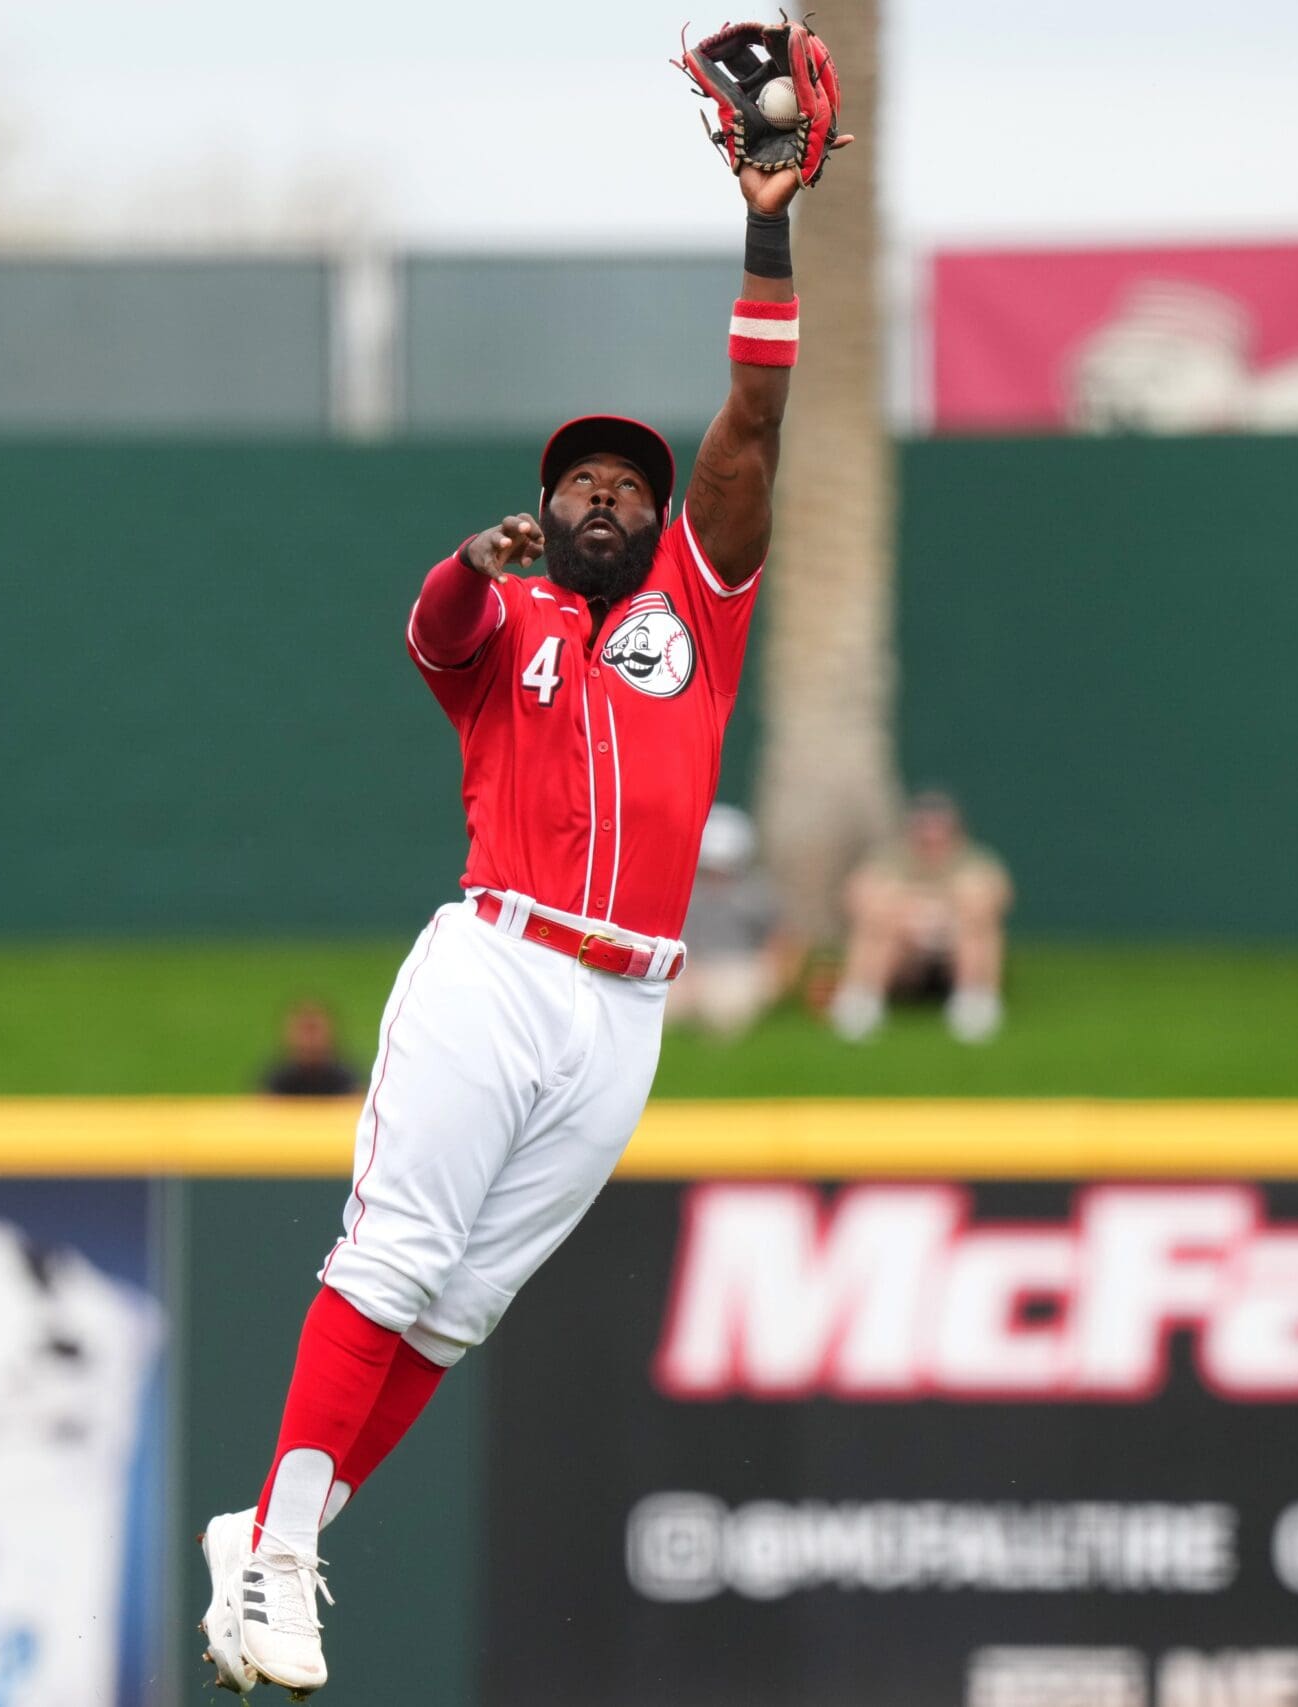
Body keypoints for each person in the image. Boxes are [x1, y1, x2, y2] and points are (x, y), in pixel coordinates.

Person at [195, 28, 853, 1697]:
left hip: (626, 1010)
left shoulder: (695, 616)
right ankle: (275, 1549)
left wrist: (768, 223)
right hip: (499, 958)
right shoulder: (507, 623)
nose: (616, 495)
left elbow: (755, 430)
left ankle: (279, 1536)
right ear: (546, 514)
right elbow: (427, 628)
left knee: (454, 1314)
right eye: (586, 483)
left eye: (632, 481)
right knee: (394, 1259)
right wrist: (473, 564)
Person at [828, 791, 1015, 1045]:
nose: (932, 836)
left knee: (976, 924)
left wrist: (940, 918)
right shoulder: (889, 859)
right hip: (903, 957)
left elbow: (994, 898)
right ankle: (861, 1003)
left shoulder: (974, 860)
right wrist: (910, 916)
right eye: (925, 829)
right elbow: (858, 896)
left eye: (940, 828)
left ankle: (976, 1002)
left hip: (952, 953)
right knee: (879, 916)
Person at [665, 804, 798, 1040]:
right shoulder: (685, 890)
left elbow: (780, 941)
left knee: (726, 1011)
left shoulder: (756, 893)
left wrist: (773, 980)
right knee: (666, 1009)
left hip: (738, 965)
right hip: (690, 966)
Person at [259, 1000, 362, 1097]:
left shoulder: (348, 1084)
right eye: (304, 1031)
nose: (310, 1040)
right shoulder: (275, 1084)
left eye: (315, 1030)